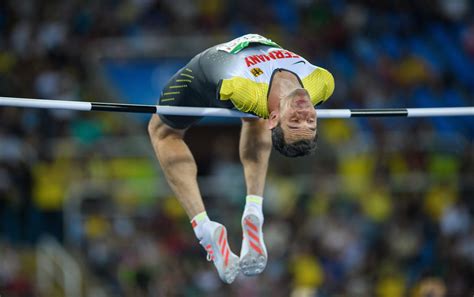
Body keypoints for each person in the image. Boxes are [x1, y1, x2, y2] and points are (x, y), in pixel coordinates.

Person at [148, 34, 334, 284]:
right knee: (256, 117)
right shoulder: (322, 84)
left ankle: (204, 228)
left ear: (275, 118)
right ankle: (254, 210)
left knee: (162, 132)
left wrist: (269, 101)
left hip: (206, 77)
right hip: (252, 77)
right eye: (310, 121)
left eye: (295, 120)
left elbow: (251, 101)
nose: (303, 113)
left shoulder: (244, 91)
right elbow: (271, 115)